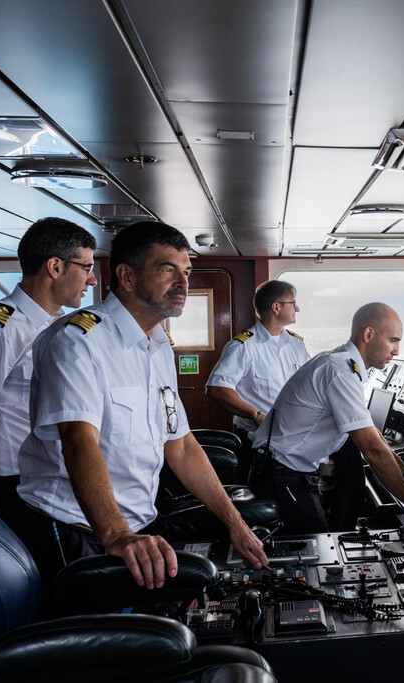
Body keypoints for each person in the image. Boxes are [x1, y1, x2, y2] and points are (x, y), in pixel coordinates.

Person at [17, 221, 269, 598]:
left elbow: (180, 444)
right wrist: (117, 535)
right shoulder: (78, 341)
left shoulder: (158, 345)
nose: (183, 283)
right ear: (127, 277)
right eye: (168, 270)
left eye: (186, 271)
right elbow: (78, 440)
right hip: (77, 529)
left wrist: (234, 522)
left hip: (138, 525)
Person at [253, 302, 404, 533]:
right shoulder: (341, 372)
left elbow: (373, 434)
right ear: (368, 334)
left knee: (320, 545)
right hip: (283, 472)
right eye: (393, 341)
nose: (397, 351)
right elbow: (373, 450)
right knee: (318, 550)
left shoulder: (343, 362)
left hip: (287, 469)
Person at [0, 217, 97, 528]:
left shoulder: (60, 327)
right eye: (86, 268)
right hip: (9, 487)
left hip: (50, 481)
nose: (92, 280)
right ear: (55, 267)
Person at [206, 279, 310, 481]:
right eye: (293, 303)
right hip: (257, 441)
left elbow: (308, 385)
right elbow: (216, 389)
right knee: (257, 500)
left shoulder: (297, 345)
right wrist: (255, 415)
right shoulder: (243, 346)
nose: (297, 308)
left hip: (291, 439)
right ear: (276, 307)